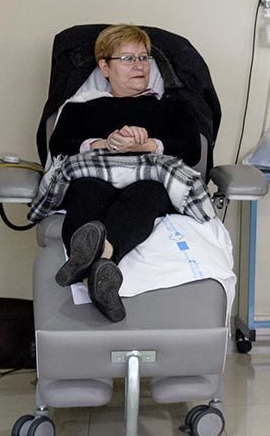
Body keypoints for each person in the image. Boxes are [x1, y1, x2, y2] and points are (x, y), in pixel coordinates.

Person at [46, 24, 207, 322]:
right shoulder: (80, 108)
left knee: (149, 191)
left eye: (144, 58)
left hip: (149, 181)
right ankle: (103, 270)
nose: (139, 66)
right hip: (95, 177)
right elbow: (59, 146)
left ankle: (95, 258)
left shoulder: (173, 107)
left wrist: (147, 144)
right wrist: (102, 143)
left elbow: (190, 149)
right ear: (104, 67)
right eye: (128, 59)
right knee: (85, 190)